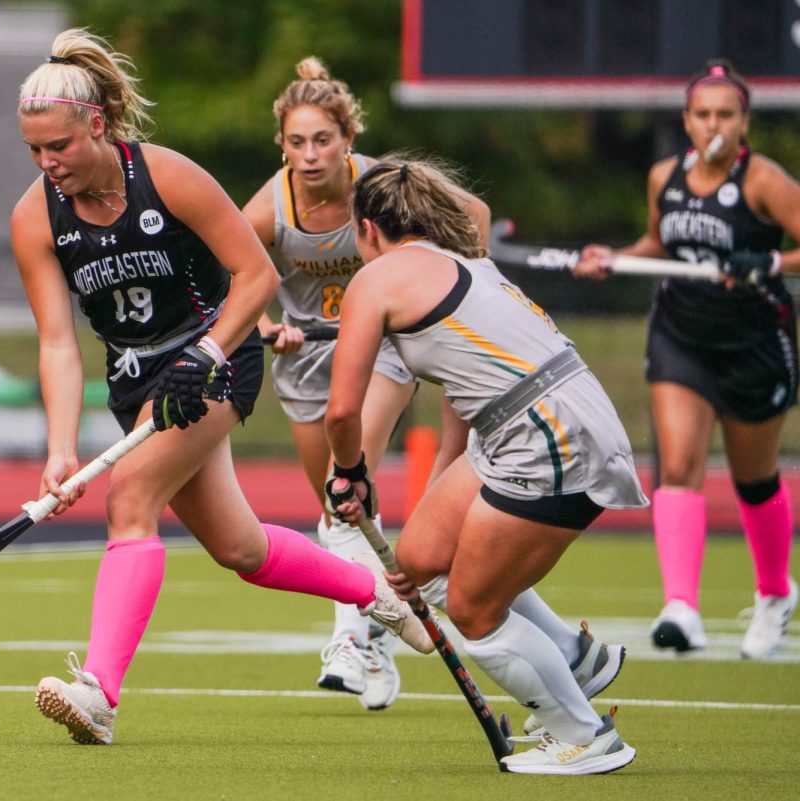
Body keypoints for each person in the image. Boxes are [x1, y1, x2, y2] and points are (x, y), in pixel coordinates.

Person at [10, 29, 433, 747]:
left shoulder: (168, 177)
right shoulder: (34, 219)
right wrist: (58, 450)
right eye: (35, 151)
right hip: (134, 377)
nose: (49, 164)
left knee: (130, 498)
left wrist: (204, 352)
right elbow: (58, 343)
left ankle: (100, 694)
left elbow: (257, 277)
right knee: (240, 549)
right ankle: (376, 594)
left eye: (61, 147)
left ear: (98, 126)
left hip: (216, 356)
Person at [325, 155, 646, 774]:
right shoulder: (466, 261)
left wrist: (350, 473)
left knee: (472, 609)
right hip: (534, 418)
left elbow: (342, 413)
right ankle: (574, 657)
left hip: (547, 434)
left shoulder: (377, 280)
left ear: (367, 229)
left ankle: (583, 736)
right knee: (417, 563)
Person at [241, 57, 478, 710]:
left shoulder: (380, 186)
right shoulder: (272, 204)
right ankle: (377, 631)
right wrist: (264, 323)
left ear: (349, 139)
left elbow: (474, 216)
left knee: (350, 478)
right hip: (307, 359)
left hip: (381, 349)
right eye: (296, 142)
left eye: (323, 140)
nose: (310, 155)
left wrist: (452, 287)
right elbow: (223, 266)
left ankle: (349, 636)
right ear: (282, 145)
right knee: (339, 505)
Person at [575, 59, 800, 660]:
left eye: (725, 114)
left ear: (744, 122)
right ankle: (681, 607)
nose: (713, 125)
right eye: (702, 114)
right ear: (687, 121)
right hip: (681, 334)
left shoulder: (765, 182)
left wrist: (770, 263)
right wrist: (615, 258)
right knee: (677, 465)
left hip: (754, 341)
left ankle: (776, 594)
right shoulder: (663, 176)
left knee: (754, 481)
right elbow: (659, 242)